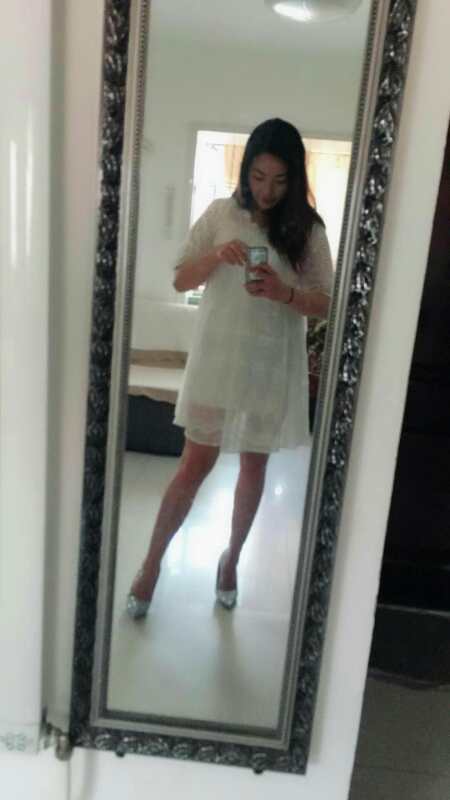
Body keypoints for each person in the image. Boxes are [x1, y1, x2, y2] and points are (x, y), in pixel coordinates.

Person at [127, 118, 333, 619]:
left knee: (253, 467)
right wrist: (217, 255)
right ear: (245, 170)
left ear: (294, 177)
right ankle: (150, 565)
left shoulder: (308, 229)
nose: (267, 190)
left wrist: (284, 293)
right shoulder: (221, 213)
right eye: (259, 176)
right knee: (192, 465)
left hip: (268, 365)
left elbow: (326, 301)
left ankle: (231, 560)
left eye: (279, 180)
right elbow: (180, 280)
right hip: (217, 358)